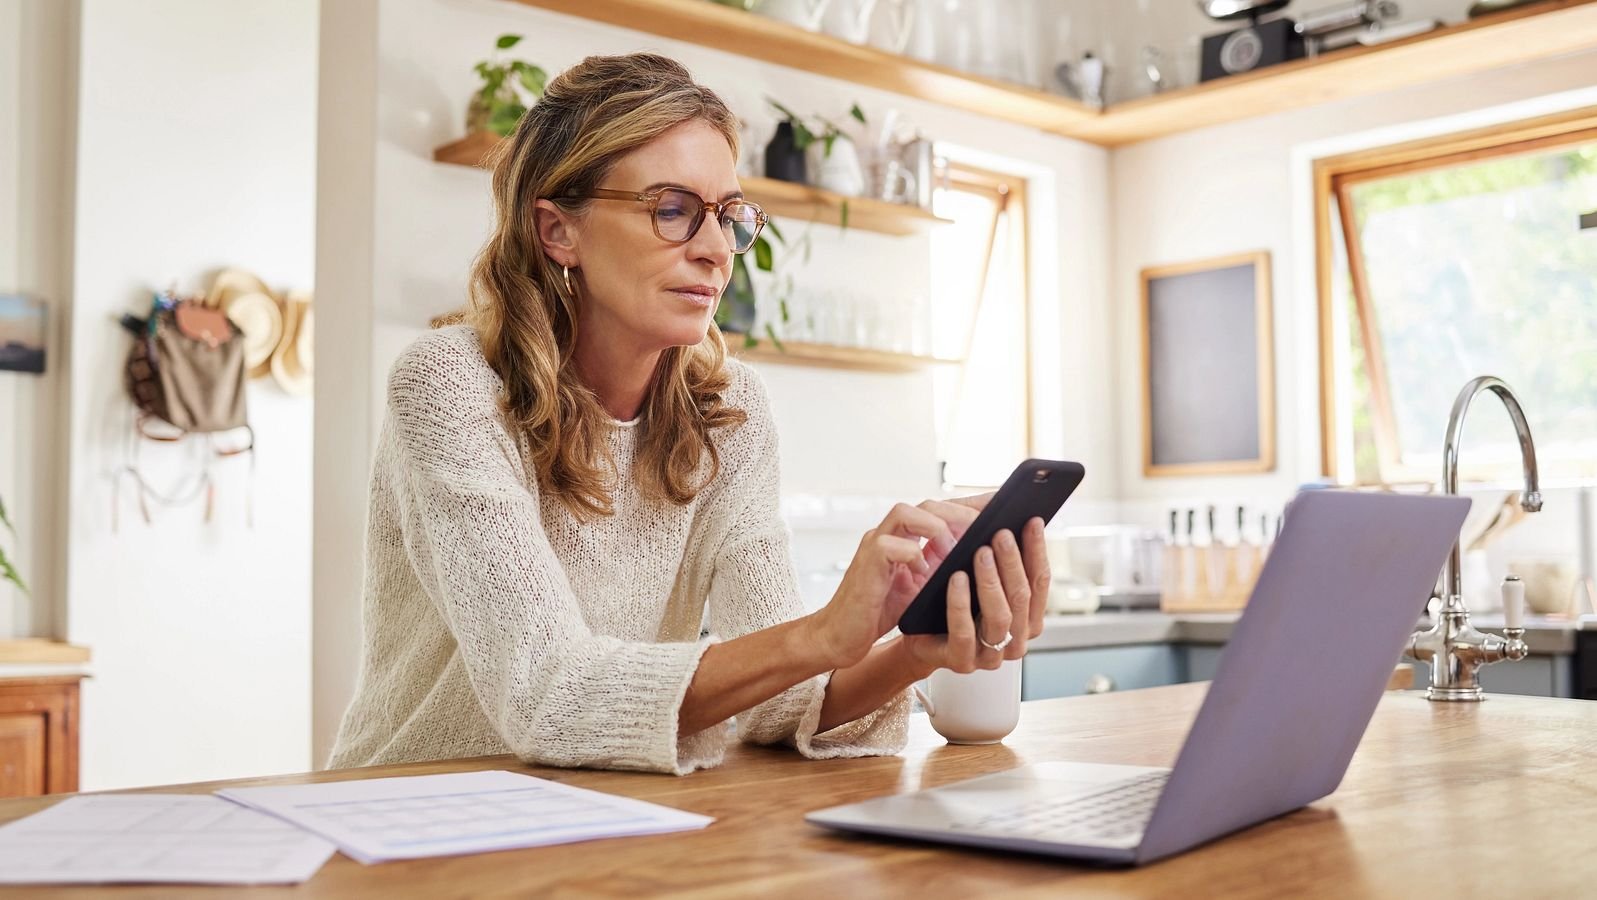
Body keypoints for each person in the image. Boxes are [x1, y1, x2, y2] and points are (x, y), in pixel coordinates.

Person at [327, 53, 1050, 775]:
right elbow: (550, 696)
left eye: (728, 216)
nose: (715, 251)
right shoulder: (450, 385)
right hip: (407, 806)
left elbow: (778, 701)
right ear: (557, 231)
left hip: (597, 812)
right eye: (671, 210)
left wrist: (913, 649)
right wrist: (825, 633)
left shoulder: (729, 411)